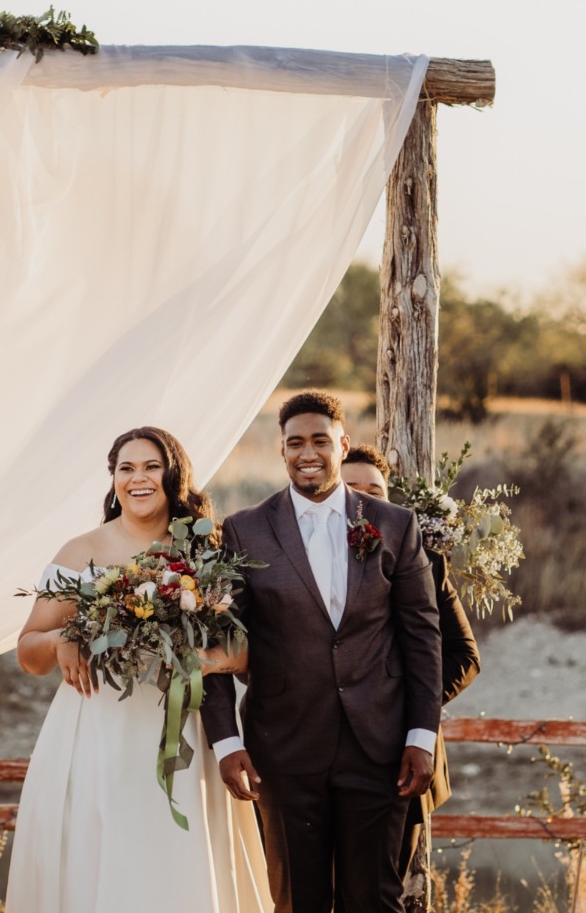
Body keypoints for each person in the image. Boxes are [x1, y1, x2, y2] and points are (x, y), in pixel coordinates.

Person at [5, 426, 273, 913]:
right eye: (126, 468)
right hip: (94, 735)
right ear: (113, 480)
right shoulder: (78, 551)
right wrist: (61, 639)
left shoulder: (205, 552)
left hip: (181, 731)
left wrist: (200, 659)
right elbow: (28, 651)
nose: (138, 478)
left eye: (151, 466)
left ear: (174, 475)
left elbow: (246, 649)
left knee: (176, 867)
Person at [201, 391, 442, 913]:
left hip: (379, 747)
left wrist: (421, 735)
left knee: (375, 899)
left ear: (343, 444)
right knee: (297, 903)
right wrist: (225, 741)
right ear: (281, 450)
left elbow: (422, 637)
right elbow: (213, 640)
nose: (307, 453)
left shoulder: (394, 525)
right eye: (295, 443)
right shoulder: (246, 530)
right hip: (282, 749)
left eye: (319, 440)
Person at [342, 444, 480, 882]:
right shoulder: (297, 564)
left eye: (376, 491)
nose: (364, 501)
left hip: (399, 757)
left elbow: (464, 656)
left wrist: (404, 703)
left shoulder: (426, 562)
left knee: (380, 892)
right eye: (350, 489)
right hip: (311, 758)